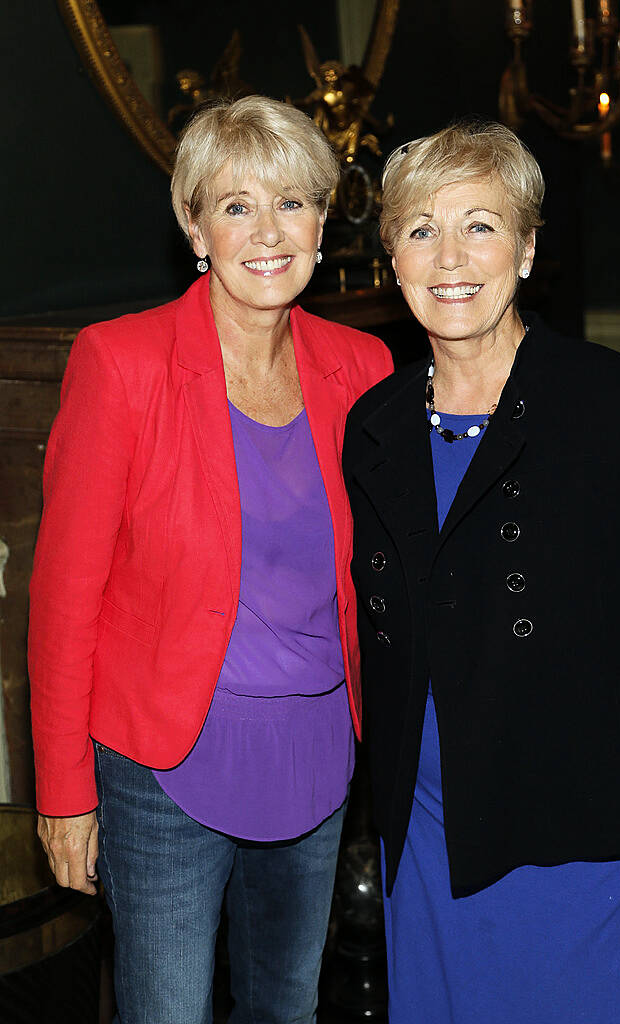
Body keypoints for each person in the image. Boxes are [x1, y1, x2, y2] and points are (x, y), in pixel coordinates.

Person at [342, 121, 620, 1024]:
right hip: (427, 811)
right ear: (390, 252)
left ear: (527, 247)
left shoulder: (609, 402)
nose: (449, 256)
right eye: (420, 227)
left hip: (575, 809)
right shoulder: (378, 422)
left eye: (480, 223)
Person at [29, 95, 393, 1024]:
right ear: (194, 225)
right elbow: (65, 594)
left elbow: (393, 578)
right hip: (163, 764)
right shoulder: (123, 363)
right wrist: (64, 793)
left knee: (286, 1010)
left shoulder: (363, 368)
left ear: (323, 218)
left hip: (315, 757)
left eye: (293, 202)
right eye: (235, 206)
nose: (268, 232)